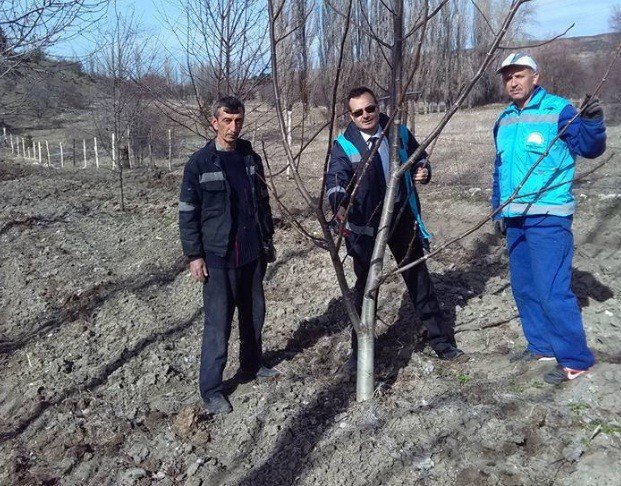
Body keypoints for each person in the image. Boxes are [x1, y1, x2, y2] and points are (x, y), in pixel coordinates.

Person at [326, 86, 465, 372]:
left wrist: (424, 169)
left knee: (418, 278)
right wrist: (339, 200)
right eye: (358, 112)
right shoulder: (344, 145)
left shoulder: (397, 132)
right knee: (366, 287)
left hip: (402, 218)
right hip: (366, 227)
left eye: (370, 108)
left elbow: (419, 156)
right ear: (350, 116)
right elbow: (336, 178)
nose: (366, 115)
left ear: (378, 107)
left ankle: (441, 341)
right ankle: (360, 352)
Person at [492, 53, 606, 384]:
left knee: (552, 288)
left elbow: (589, 147)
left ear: (535, 77)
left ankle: (575, 359)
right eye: (508, 77)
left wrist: (593, 123)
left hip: (548, 215)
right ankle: (541, 345)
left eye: (519, 75)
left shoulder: (558, 110)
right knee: (524, 286)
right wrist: (498, 207)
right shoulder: (504, 121)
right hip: (515, 217)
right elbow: (499, 169)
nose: (513, 82)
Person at [179, 96, 279, 414]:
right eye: (227, 121)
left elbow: (262, 203)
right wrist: (194, 255)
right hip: (218, 257)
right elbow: (187, 213)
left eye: (238, 121)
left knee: (254, 315)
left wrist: (268, 239)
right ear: (215, 122)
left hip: (251, 254)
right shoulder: (199, 163)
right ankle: (211, 388)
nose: (233, 127)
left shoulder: (250, 157)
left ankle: (252, 365)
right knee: (218, 324)